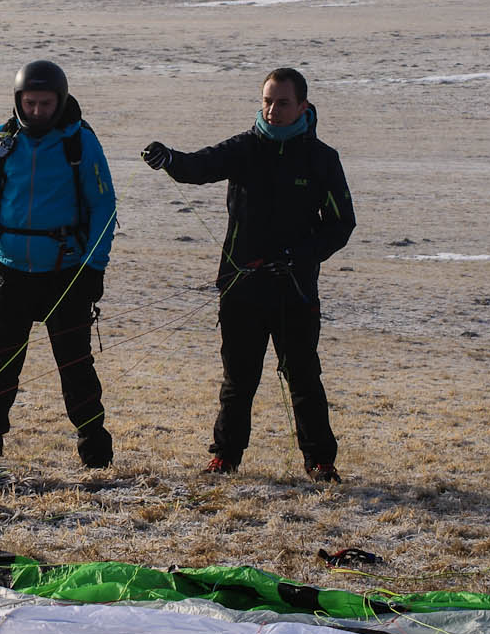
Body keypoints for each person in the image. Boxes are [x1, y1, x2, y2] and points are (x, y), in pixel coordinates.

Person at [142, 67, 355, 482]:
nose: (273, 110)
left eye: (282, 103)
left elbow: (341, 223)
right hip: (241, 288)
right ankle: (225, 456)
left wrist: (298, 257)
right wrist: (169, 159)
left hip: (295, 290)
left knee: (304, 378)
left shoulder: (322, 159)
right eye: (267, 102)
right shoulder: (244, 147)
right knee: (238, 381)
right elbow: (198, 166)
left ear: (303, 106)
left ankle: (320, 461)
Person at [0, 60, 118, 467]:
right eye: (29, 103)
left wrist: (94, 267)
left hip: (67, 275)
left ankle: (95, 454)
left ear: (60, 101)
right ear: (18, 100)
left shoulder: (80, 143)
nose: (36, 111)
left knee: (76, 368)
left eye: (45, 104)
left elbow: (104, 205)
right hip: (9, 272)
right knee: (0, 368)